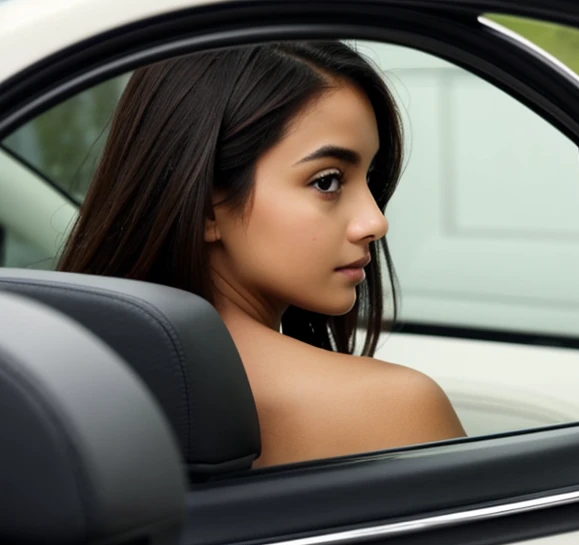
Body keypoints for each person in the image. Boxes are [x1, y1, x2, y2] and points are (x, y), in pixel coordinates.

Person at [57, 40, 466, 467]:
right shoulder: (391, 408)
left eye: (371, 176)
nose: (375, 221)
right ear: (205, 210)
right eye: (327, 181)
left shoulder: (62, 384)